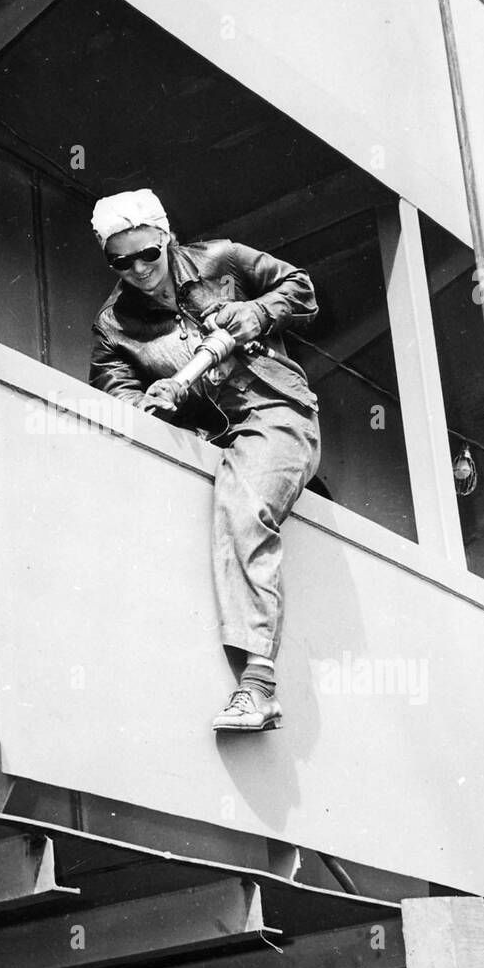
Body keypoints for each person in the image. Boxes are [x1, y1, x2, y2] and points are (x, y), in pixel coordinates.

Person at [88, 189, 321, 734]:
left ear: (165, 236)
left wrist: (257, 312)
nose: (139, 270)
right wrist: (149, 404)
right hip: (204, 443)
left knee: (244, 507)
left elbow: (302, 288)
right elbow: (114, 394)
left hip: (274, 412)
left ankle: (259, 685)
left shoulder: (223, 259)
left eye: (147, 254)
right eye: (120, 262)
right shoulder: (112, 325)